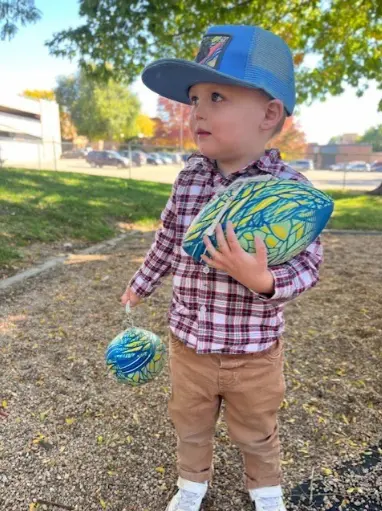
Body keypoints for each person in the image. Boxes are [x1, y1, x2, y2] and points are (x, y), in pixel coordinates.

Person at [121, 24, 323, 511]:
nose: (198, 112)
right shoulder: (189, 178)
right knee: (188, 422)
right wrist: (141, 284)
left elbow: (310, 264)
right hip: (188, 343)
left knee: (256, 429)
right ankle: (192, 483)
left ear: (269, 113)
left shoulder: (291, 192)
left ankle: (266, 490)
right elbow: (168, 239)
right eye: (194, 100)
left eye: (217, 96)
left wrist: (265, 281)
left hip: (253, 352)